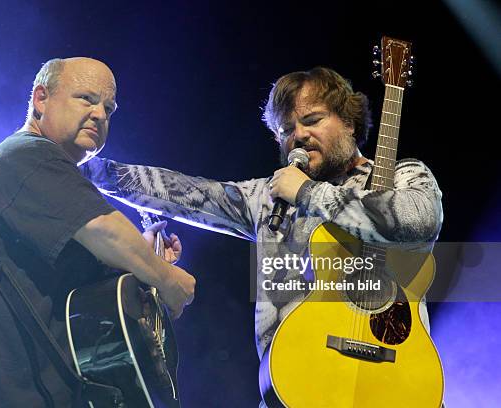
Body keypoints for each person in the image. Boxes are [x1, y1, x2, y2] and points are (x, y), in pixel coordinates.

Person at [86, 67, 444, 406]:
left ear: (349, 123)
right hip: (294, 389)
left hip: (395, 387)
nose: (299, 136)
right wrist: (86, 169)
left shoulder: (404, 175)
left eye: (312, 120)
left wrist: (308, 193)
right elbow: (186, 193)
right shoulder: (272, 198)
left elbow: (417, 218)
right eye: (286, 129)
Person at [0, 57, 195, 407]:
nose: (100, 114)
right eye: (86, 99)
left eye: (109, 108)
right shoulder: (26, 157)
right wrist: (168, 279)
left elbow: (82, 293)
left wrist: (138, 260)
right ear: (41, 98)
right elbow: (106, 231)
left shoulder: (44, 176)